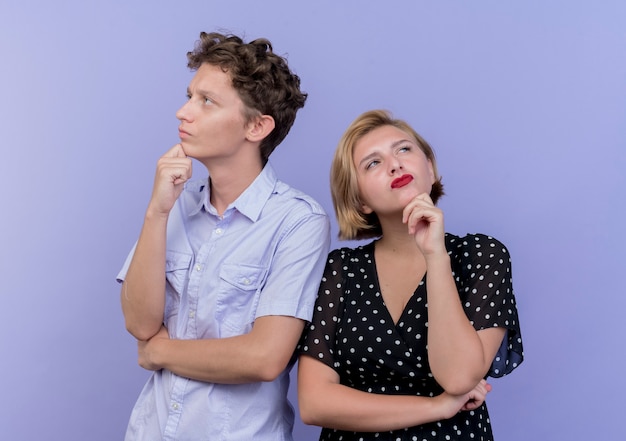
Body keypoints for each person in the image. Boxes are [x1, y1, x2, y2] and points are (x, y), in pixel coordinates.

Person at [117, 31, 330, 441]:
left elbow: (265, 358)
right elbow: (139, 323)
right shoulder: (176, 204)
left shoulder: (298, 222)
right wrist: (157, 211)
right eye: (190, 95)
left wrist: (161, 352)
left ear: (257, 127)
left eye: (206, 101)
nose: (183, 112)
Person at [297, 110, 524, 440]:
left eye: (403, 149)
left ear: (430, 168)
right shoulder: (341, 269)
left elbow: (459, 377)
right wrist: (437, 407)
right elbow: (314, 403)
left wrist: (435, 256)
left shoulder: (482, 255)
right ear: (360, 199)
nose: (394, 164)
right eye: (372, 163)